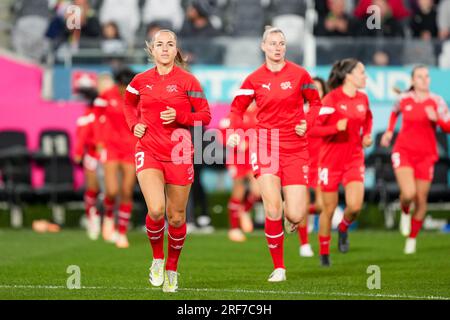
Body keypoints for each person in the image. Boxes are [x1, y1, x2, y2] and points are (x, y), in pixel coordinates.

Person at [227, 26, 322, 282]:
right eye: (272, 43)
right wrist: (235, 131)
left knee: (295, 214)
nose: (277, 47)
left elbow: (315, 103)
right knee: (272, 207)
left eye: (281, 43)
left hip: (295, 147)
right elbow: (236, 109)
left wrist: (308, 122)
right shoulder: (254, 79)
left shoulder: (300, 75)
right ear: (263, 47)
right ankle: (279, 267)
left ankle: (293, 220)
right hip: (265, 143)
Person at [123, 29, 211, 293]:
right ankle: (157, 260)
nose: (164, 48)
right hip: (148, 150)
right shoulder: (139, 81)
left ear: (176, 50)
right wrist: (133, 124)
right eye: (159, 44)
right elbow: (128, 104)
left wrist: (182, 115)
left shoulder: (188, 81)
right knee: (157, 210)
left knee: (175, 217)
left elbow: (205, 116)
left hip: (179, 153)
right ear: (152, 50)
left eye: (170, 44)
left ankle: (172, 268)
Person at [380, 65, 450, 254]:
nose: (424, 79)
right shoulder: (404, 99)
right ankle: (404, 211)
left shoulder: (437, 101)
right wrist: (388, 131)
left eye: (426, 76)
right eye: (420, 76)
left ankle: (412, 239)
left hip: (426, 156)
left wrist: (437, 119)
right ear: (412, 80)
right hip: (403, 152)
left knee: (421, 199)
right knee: (408, 193)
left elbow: (448, 127)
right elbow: (394, 113)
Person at [311, 58, 373, 267]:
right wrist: (334, 128)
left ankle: (344, 228)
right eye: (362, 72)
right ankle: (324, 253)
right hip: (330, 162)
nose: (365, 76)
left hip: (354, 159)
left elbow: (368, 119)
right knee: (328, 209)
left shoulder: (363, 99)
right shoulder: (330, 100)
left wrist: (367, 135)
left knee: (354, 206)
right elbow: (314, 129)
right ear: (348, 76)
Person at [94, 67, 138, 249]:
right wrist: (98, 140)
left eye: (127, 86)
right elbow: (96, 118)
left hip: (131, 148)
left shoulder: (138, 98)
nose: (124, 89)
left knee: (127, 190)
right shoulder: (106, 96)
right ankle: (109, 217)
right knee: (111, 190)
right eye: (122, 85)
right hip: (111, 147)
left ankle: (121, 232)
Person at [296, 77, 329, 257]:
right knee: (304, 204)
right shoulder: (300, 111)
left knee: (321, 206)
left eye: (319, 88)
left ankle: (291, 212)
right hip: (303, 162)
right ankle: (304, 244)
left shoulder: (328, 110)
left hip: (323, 163)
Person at [219, 101, 260, 242]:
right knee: (238, 191)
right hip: (237, 158)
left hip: (254, 157)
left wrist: (251, 142)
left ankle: (244, 210)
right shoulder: (234, 114)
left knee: (258, 191)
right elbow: (223, 133)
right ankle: (234, 228)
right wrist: (234, 141)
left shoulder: (259, 112)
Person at [74, 84, 102, 240]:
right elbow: (82, 137)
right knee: (93, 190)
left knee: (110, 192)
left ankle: (111, 223)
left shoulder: (106, 115)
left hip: (109, 156)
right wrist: (78, 153)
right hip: (92, 157)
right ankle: (93, 219)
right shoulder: (88, 117)